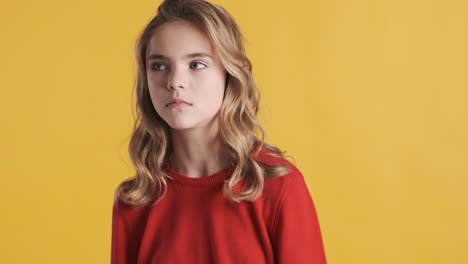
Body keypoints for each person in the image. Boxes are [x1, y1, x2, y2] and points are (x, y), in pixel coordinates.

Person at [111, 0, 328, 263]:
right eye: (159, 66)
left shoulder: (277, 187)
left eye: (196, 64)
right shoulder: (136, 200)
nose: (174, 82)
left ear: (229, 74)